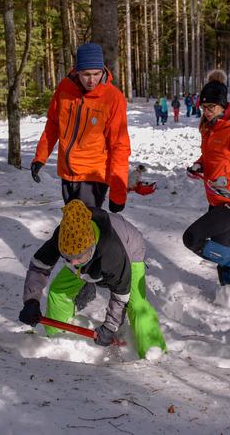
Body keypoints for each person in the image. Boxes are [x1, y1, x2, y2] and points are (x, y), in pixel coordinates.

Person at [18, 199, 167, 359]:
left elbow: (121, 293)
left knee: (136, 304)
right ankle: (57, 340)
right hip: (92, 253)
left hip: (130, 248)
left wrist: (110, 327)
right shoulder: (64, 236)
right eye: (67, 257)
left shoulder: (113, 254)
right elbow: (39, 266)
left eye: (77, 257)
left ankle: (155, 353)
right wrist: (31, 301)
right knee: (58, 290)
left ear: (91, 247)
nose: (72, 262)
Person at [30, 43, 131, 213]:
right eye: (86, 74)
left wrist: (118, 194)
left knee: (82, 230)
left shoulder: (113, 98)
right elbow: (53, 125)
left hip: (94, 175)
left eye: (96, 74)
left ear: (103, 71)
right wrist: (40, 157)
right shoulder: (64, 89)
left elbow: (119, 146)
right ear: (77, 71)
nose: (91, 80)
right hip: (67, 173)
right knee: (73, 225)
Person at [182, 70, 230, 292]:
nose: (207, 112)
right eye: (204, 107)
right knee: (222, 258)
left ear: (223, 106)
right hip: (216, 200)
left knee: (192, 238)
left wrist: (226, 180)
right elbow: (210, 157)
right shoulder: (208, 129)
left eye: (211, 107)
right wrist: (199, 165)